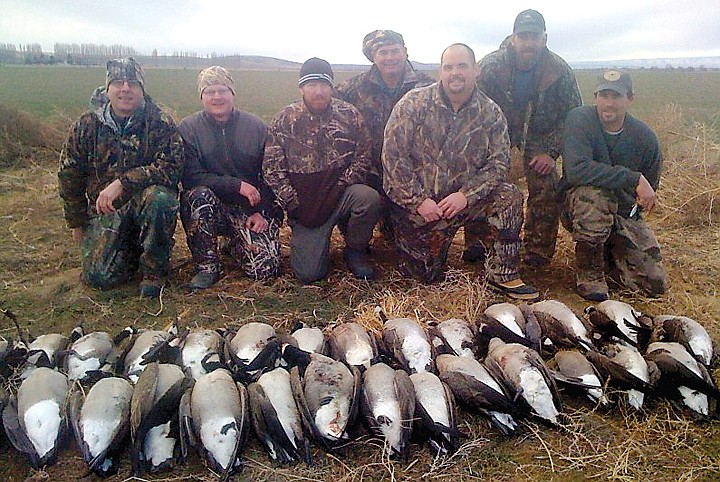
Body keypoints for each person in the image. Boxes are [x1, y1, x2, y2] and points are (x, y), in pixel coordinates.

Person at [382, 43, 539, 300]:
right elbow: (393, 159)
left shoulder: (490, 112)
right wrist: (419, 202)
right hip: (423, 209)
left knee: (508, 195)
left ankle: (503, 275)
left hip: (465, 202)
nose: (455, 73)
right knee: (424, 278)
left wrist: (466, 195)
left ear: (476, 70)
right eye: (449, 67)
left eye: (462, 66)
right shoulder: (413, 104)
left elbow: (498, 165)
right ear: (440, 72)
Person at [58, 57, 183, 298]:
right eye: (118, 82)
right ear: (108, 88)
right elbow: (69, 173)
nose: (125, 88)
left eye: (133, 83)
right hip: (104, 211)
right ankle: (129, 253)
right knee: (100, 279)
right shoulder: (87, 125)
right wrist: (76, 221)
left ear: (142, 89)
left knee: (161, 198)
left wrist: (123, 183)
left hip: (145, 205)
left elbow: (172, 168)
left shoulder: (160, 123)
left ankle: (154, 271)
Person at [477, 9, 581, 267]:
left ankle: (538, 252)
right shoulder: (490, 67)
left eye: (534, 36)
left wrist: (552, 151)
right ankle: (480, 244)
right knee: (484, 183)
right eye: (523, 36)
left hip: (540, 137)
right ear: (513, 38)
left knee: (546, 187)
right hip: (497, 134)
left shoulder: (559, 70)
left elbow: (573, 117)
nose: (529, 42)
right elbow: (473, 110)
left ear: (544, 38)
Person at [263, 57, 381, 284]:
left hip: (340, 194)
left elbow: (363, 157)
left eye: (324, 85)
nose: (318, 91)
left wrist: (340, 188)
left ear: (331, 88)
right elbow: (272, 169)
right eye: (312, 85)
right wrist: (293, 204)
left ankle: (355, 249)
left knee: (368, 198)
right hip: (305, 203)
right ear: (301, 88)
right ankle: (316, 243)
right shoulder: (284, 120)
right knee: (308, 274)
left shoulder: (350, 115)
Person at [560, 70, 667, 301]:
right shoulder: (579, 119)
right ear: (595, 97)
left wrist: (630, 216)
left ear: (630, 99)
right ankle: (589, 272)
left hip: (622, 215)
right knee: (596, 195)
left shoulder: (645, 138)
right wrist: (633, 178)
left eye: (616, 96)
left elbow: (649, 189)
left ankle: (610, 253)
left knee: (653, 284)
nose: (609, 103)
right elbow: (577, 170)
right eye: (603, 95)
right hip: (580, 207)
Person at [179, 66, 282, 289]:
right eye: (209, 91)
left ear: (232, 93)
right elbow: (190, 176)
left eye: (222, 90)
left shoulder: (256, 127)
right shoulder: (188, 129)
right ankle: (207, 266)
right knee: (197, 196)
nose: (217, 97)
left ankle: (236, 242)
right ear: (201, 96)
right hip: (210, 207)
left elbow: (271, 174)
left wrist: (261, 211)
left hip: (248, 210)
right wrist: (236, 185)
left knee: (264, 269)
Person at [334, 30, 433, 233]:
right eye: (383, 52)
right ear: (373, 57)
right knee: (352, 195)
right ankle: (356, 244)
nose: (390, 58)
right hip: (369, 173)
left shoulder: (427, 88)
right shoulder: (352, 89)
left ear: (405, 52)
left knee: (406, 236)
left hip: (411, 175)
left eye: (395, 51)